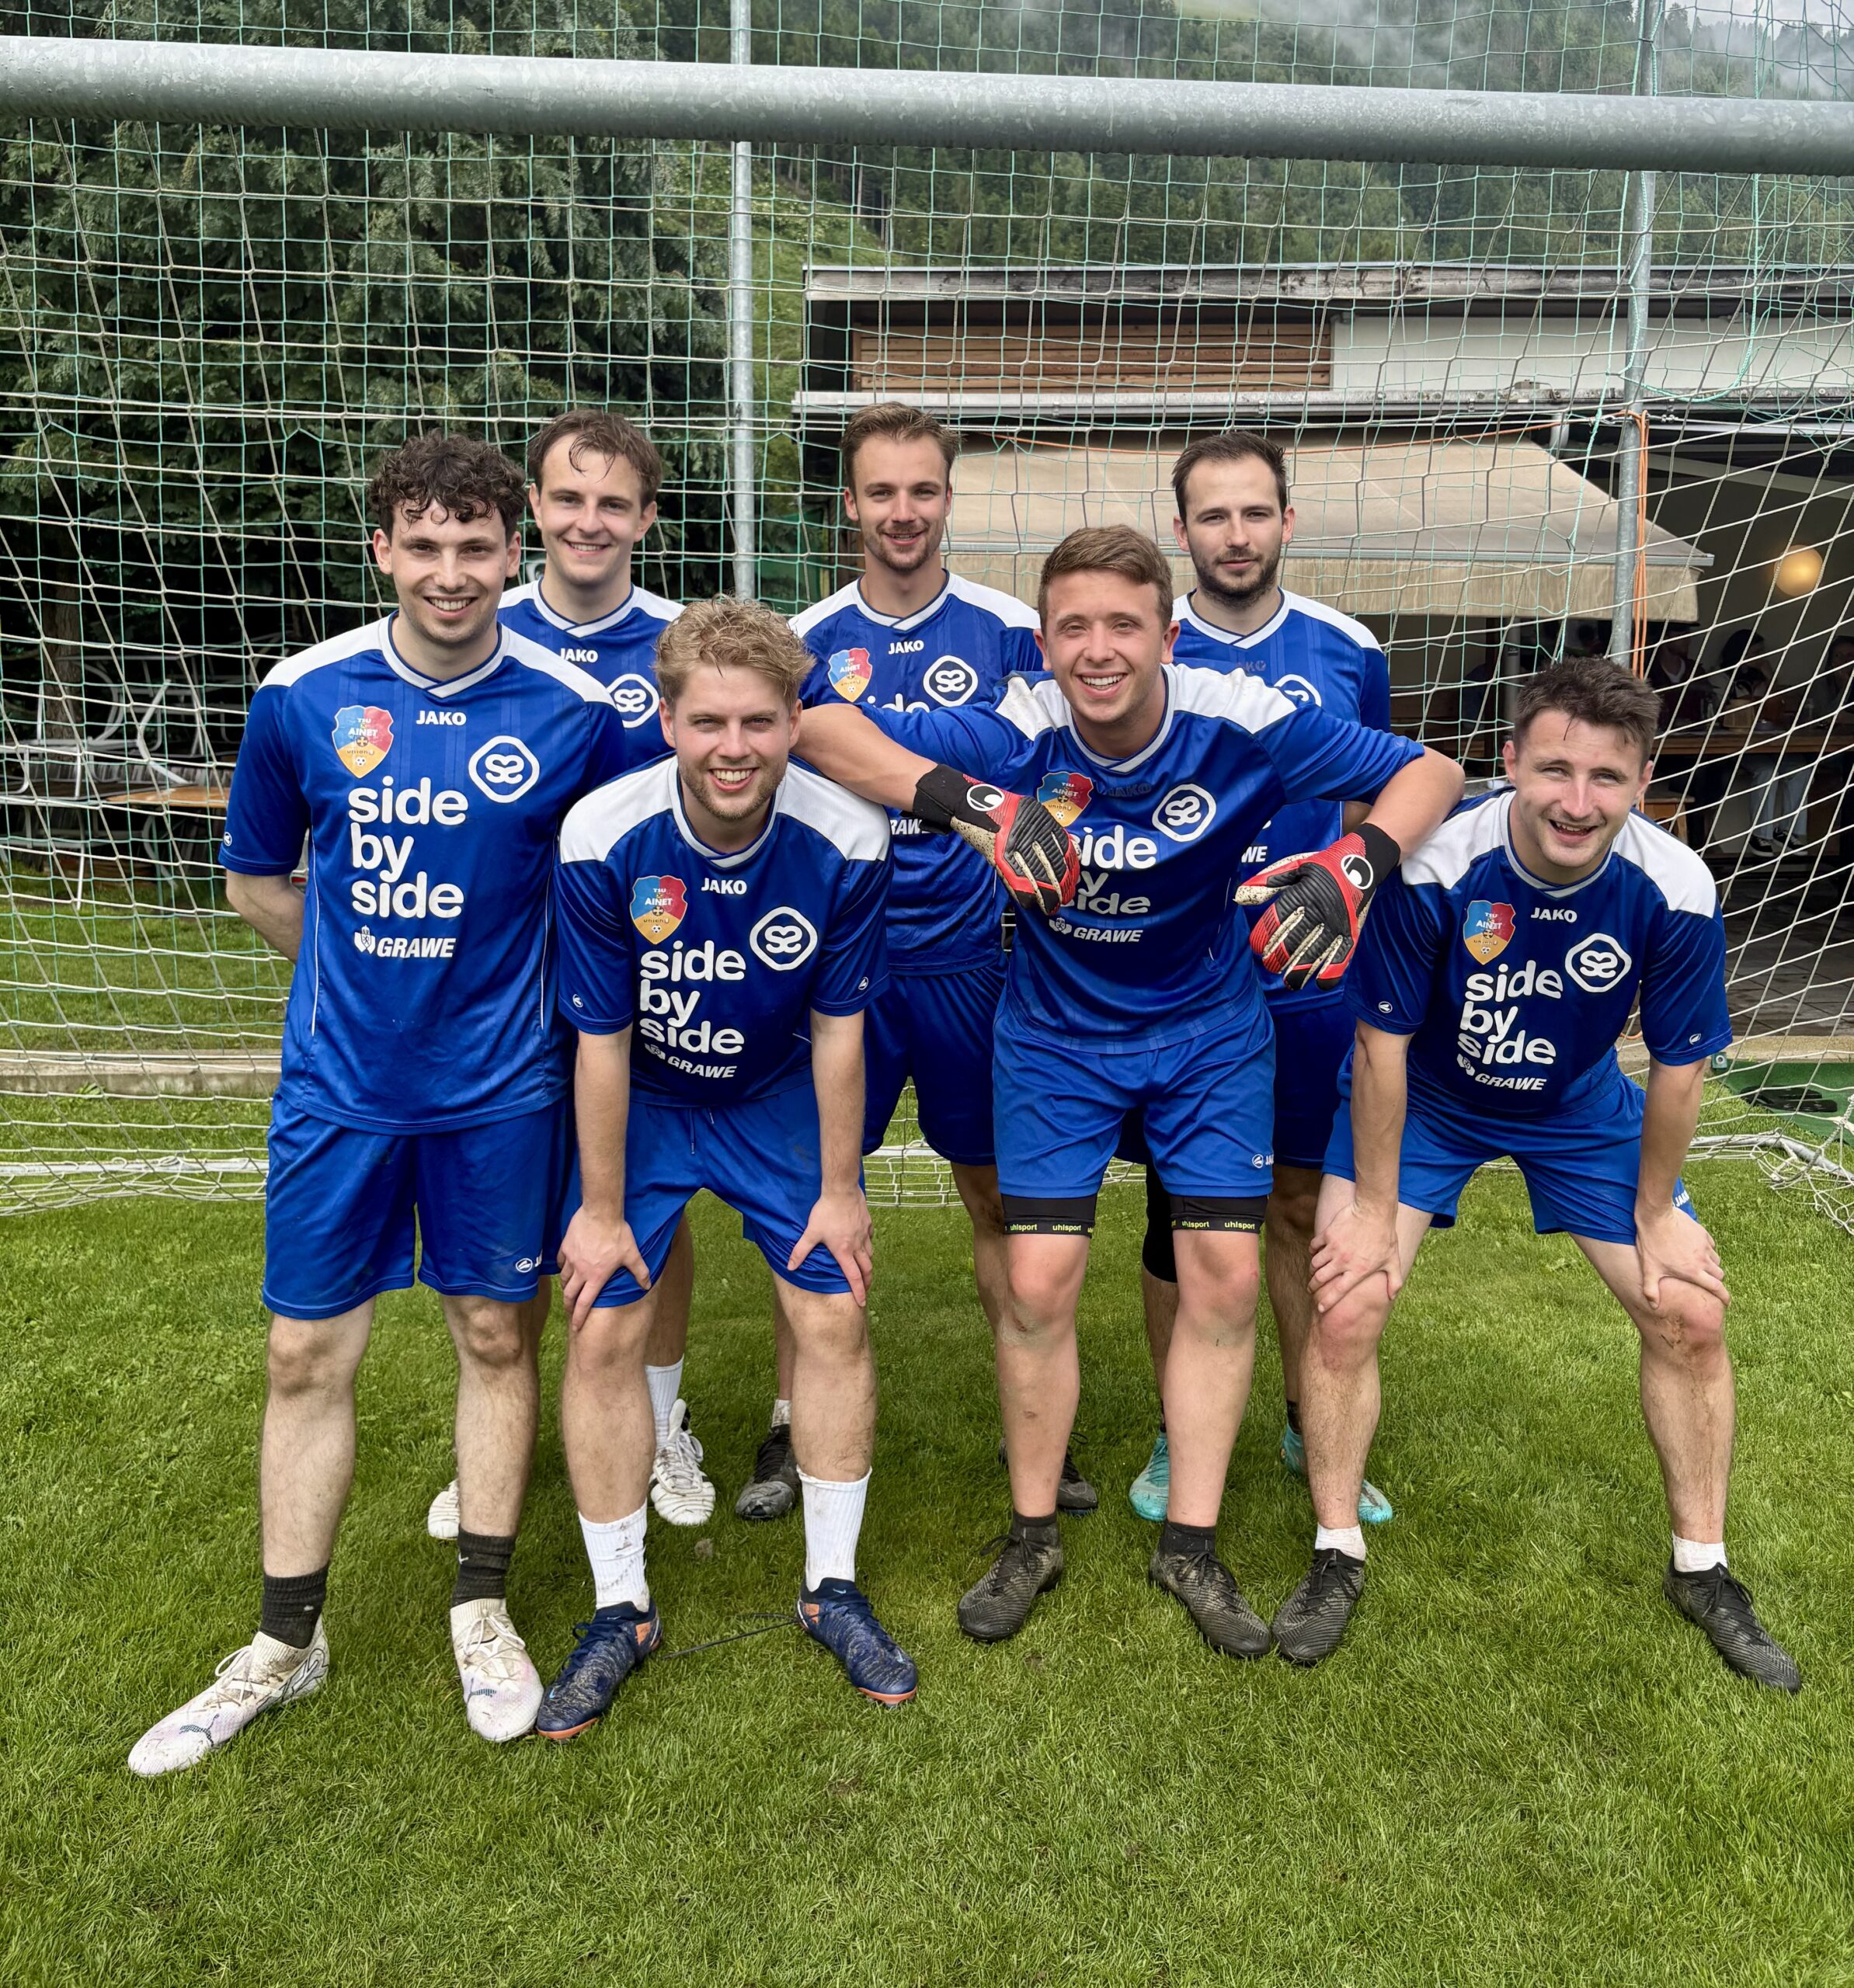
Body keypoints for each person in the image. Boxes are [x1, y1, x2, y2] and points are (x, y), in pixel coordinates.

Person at [798, 525, 1462, 1657]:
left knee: (1225, 1276)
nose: (1097, 649)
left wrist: (1356, 865)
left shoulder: (1241, 716)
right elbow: (820, 731)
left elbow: (1431, 772)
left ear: (1167, 635)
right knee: (1036, 1280)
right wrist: (979, 805)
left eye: (1122, 624)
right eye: (1072, 627)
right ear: (1044, 643)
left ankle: (1189, 1546)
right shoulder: (1020, 723)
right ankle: (1031, 1533)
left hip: (1210, 1035)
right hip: (1056, 1038)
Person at [130, 433, 661, 1776]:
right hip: (341, 1093)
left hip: (504, 1094)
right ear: (382, 552)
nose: (450, 572)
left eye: (476, 546)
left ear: (513, 552)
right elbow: (258, 879)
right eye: (423, 546)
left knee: (493, 1334)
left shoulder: (573, 711)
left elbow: (606, 887)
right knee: (304, 1354)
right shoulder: (302, 697)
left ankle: (481, 1608)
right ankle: (283, 1641)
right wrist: (362, 983)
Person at [529, 598, 1072, 1731]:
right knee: (604, 1327)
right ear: (668, 721)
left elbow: (837, 1030)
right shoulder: (601, 835)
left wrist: (839, 1191)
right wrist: (598, 1207)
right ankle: (620, 1608)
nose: (734, 748)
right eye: (709, 721)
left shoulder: (848, 834)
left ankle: (832, 1587)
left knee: (832, 1314)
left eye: (760, 722)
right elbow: (602, 1039)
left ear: (796, 723)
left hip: (773, 1096)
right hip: (653, 1098)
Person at [1275, 658, 1800, 1692]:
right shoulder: (1437, 864)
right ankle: (1336, 1549)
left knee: (1689, 1312)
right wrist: (1372, 1209)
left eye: (1607, 777)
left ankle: (1702, 1568)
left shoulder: (1675, 885)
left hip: (1576, 1105)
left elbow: (1681, 1069)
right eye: (1556, 770)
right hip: (1430, 1097)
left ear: (1642, 781)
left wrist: (1658, 1211)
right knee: (1347, 1297)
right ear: (1510, 762)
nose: (1578, 801)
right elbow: (1381, 1046)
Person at [726, 401, 1098, 1524]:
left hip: (971, 963)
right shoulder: (800, 640)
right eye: (881, 491)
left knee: (998, 1196)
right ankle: (792, 1425)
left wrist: (888, 759)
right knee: (809, 1197)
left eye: (922, 490)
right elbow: (789, 764)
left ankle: (1036, 1428)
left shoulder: (1010, 632)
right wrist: (952, 767)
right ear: (850, 503)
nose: (903, 512)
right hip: (834, 960)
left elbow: (1052, 771)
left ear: (948, 498)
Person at [425, 408, 711, 1544]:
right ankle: (499, 1440)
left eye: (614, 502)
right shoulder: (471, 630)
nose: (589, 521)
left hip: (643, 978)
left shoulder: (681, 641)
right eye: (569, 498)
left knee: (648, 1205)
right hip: (499, 990)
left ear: (647, 518)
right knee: (505, 1223)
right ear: (533, 510)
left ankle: (662, 1420)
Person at [1122, 429, 1395, 1531]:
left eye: (1253, 513)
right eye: (1212, 516)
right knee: (1175, 1212)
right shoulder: (1146, 645)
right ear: (1180, 530)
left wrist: (1352, 887)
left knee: (1294, 1203)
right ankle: (1174, 1425)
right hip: (1175, 985)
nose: (1234, 535)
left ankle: (1301, 1412)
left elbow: (1381, 804)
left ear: (1287, 521)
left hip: (1308, 983)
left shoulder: (1346, 649)